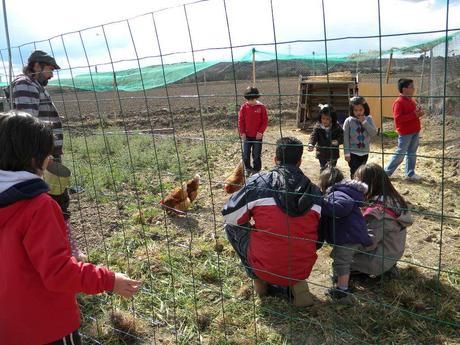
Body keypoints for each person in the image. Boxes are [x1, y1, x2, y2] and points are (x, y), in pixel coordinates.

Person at [0, 113, 141, 345]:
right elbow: (59, 273)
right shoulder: (39, 207)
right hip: (47, 325)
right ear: (38, 161)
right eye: (48, 155)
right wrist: (109, 280)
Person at [222, 137, 322, 307]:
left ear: (275, 160)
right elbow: (319, 239)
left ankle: (259, 281)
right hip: (300, 267)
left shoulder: (260, 182)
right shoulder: (315, 192)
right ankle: (298, 287)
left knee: (231, 226)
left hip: (265, 264)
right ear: (299, 161)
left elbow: (229, 215)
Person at [9, 50, 85, 260]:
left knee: (55, 201)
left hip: (44, 155)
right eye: (50, 70)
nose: (51, 75)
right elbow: (26, 125)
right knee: (56, 202)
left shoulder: (32, 85)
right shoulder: (25, 84)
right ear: (36, 66)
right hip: (40, 158)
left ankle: (62, 249)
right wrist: (43, 158)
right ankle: (65, 253)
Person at [317, 165, 372, 300]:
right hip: (348, 234)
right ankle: (341, 279)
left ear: (326, 183)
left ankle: (343, 289)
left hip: (348, 236)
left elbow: (341, 208)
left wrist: (321, 203)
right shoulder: (342, 192)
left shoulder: (338, 194)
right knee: (339, 258)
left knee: (342, 261)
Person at [351, 163, 413, 277]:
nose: (354, 184)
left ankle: (373, 270)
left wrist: (345, 243)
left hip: (380, 258)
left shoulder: (377, 212)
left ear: (369, 184)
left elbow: (369, 243)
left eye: (358, 181)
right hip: (394, 251)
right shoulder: (393, 199)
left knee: (340, 257)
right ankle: (388, 268)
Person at [384, 78, 423, 181]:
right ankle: (385, 173)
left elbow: (413, 114)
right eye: (412, 87)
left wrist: (419, 113)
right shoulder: (399, 102)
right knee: (400, 153)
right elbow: (398, 119)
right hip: (405, 133)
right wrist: (414, 114)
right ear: (405, 89)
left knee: (412, 153)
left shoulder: (411, 100)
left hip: (415, 131)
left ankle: (410, 173)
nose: (414, 89)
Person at [343, 96, 378, 178]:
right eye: (355, 110)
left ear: (365, 109)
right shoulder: (348, 121)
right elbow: (345, 138)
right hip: (353, 153)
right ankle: (353, 187)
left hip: (365, 152)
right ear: (352, 110)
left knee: (362, 173)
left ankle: (360, 187)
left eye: (360, 110)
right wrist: (346, 153)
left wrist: (364, 122)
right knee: (354, 172)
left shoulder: (369, 119)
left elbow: (373, 133)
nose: (358, 112)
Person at [238, 86, 268, 176]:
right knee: (246, 155)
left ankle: (256, 171)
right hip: (247, 136)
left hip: (257, 136)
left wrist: (260, 132)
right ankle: (247, 168)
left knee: (256, 155)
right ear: (246, 99)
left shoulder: (261, 107)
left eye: (253, 99)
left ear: (256, 98)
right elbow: (240, 121)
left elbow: (265, 121)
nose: (251, 102)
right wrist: (242, 133)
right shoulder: (244, 107)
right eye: (249, 100)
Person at [308, 104, 344, 171]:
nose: (325, 121)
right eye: (323, 118)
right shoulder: (318, 126)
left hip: (333, 153)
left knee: (331, 170)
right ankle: (323, 181)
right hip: (322, 153)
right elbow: (313, 136)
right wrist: (311, 144)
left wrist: (338, 141)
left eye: (327, 119)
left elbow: (342, 136)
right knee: (323, 168)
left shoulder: (337, 126)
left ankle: (331, 181)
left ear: (332, 118)